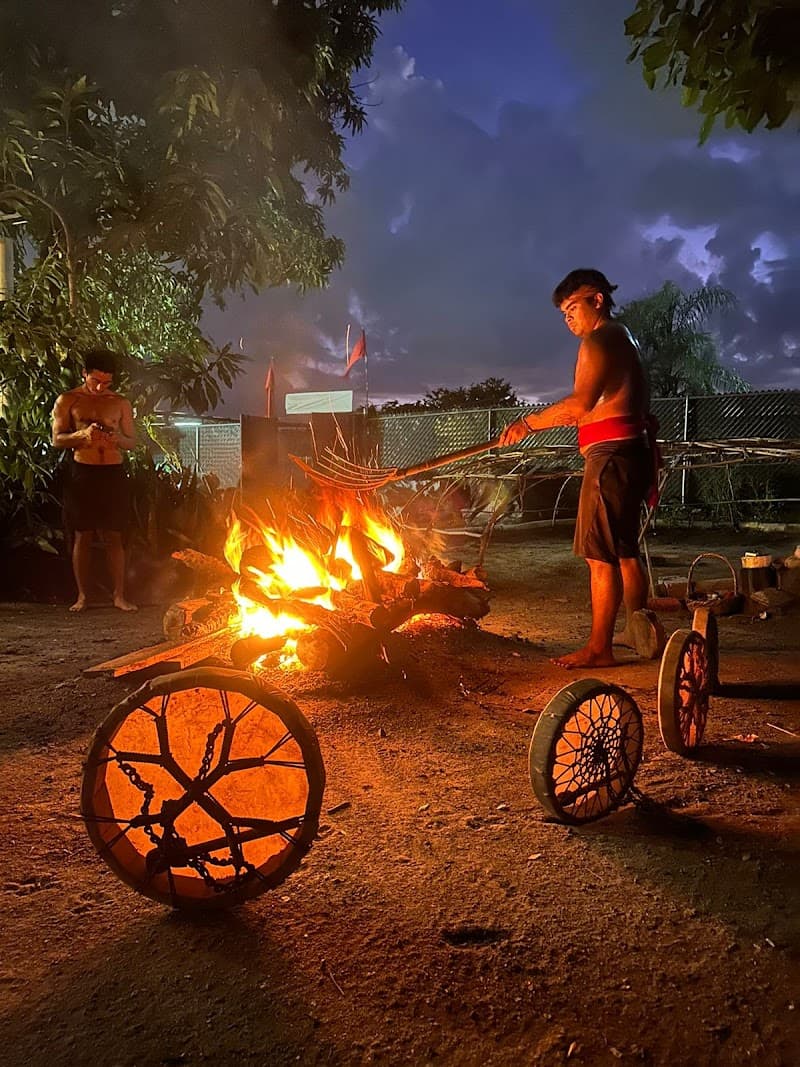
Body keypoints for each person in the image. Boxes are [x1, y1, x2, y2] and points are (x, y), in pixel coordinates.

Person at [498, 268, 663, 668]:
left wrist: (526, 424)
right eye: (563, 312)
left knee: (599, 554)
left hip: (611, 457)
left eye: (572, 307)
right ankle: (633, 627)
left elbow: (579, 405)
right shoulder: (625, 338)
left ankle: (599, 649)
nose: (567, 317)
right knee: (623, 548)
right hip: (632, 453)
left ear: (598, 300)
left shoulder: (599, 340)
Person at [52, 349, 138, 613]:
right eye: (95, 381)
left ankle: (119, 595)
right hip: (83, 472)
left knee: (114, 535)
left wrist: (117, 440)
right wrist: (83, 435)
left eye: (106, 382)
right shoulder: (68, 400)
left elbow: (132, 442)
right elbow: (56, 439)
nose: (101, 387)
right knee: (83, 534)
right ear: (84, 374)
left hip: (112, 472)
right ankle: (82, 596)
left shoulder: (120, 403)